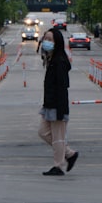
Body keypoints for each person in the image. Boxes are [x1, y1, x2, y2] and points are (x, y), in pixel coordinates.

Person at [38, 27, 79, 176]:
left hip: (57, 106)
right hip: (49, 105)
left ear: (57, 42)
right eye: (45, 39)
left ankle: (58, 166)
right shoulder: (51, 60)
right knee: (43, 132)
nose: (46, 42)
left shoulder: (60, 61)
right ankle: (69, 154)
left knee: (58, 137)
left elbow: (63, 87)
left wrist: (61, 110)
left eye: (50, 40)